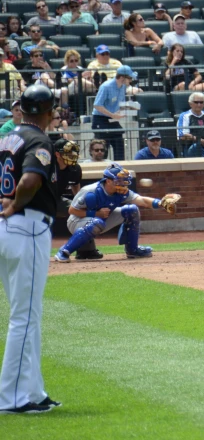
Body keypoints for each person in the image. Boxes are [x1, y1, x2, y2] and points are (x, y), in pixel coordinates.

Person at [0, 85, 61, 415]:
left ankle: (33, 392)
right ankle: (11, 399)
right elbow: (28, 182)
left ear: (22, 109)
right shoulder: (39, 140)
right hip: (26, 227)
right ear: (49, 113)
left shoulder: (5, 139)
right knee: (24, 317)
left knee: (28, 315)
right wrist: (15, 206)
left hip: (6, 232)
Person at [54, 163, 180, 262]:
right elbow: (72, 210)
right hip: (76, 222)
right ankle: (64, 252)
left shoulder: (121, 192)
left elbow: (141, 201)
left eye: (123, 180)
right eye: (118, 180)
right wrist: (96, 214)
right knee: (97, 221)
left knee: (132, 210)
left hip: (101, 220)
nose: (122, 183)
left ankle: (133, 250)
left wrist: (161, 203)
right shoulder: (90, 191)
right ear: (108, 180)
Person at [91, 65, 137, 161]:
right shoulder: (106, 87)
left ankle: (119, 168)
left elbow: (119, 103)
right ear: (122, 77)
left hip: (112, 119)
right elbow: (97, 105)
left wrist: (128, 109)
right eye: (129, 78)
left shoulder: (123, 87)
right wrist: (113, 115)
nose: (131, 80)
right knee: (102, 149)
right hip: (100, 119)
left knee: (119, 144)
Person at [177, 92, 204, 157]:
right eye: (196, 102)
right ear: (190, 103)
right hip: (195, 146)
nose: (199, 104)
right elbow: (183, 135)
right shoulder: (184, 116)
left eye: (201, 102)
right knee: (195, 147)